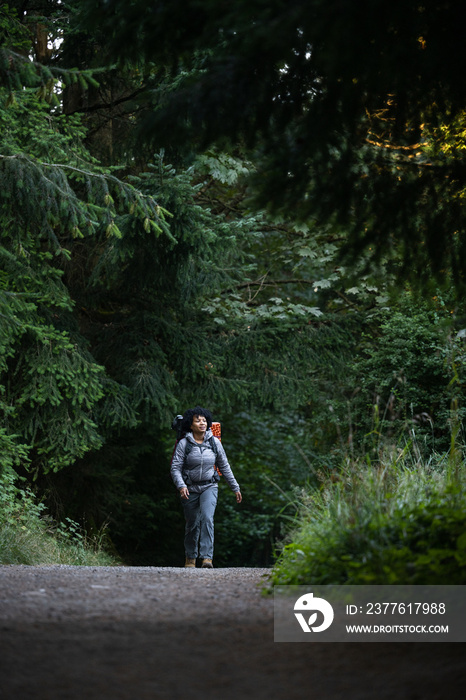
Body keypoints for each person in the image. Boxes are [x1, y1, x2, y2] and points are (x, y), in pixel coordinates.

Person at [170, 406, 242, 568]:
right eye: (198, 420)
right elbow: (175, 467)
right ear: (191, 425)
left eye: (204, 420)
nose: (202, 423)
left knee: (208, 519)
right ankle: (190, 558)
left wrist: (235, 487)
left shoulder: (214, 443)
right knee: (192, 522)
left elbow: (224, 466)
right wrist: (181, 486)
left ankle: (207, 558)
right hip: (189, 488)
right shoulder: (184, 444)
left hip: (209, 486)